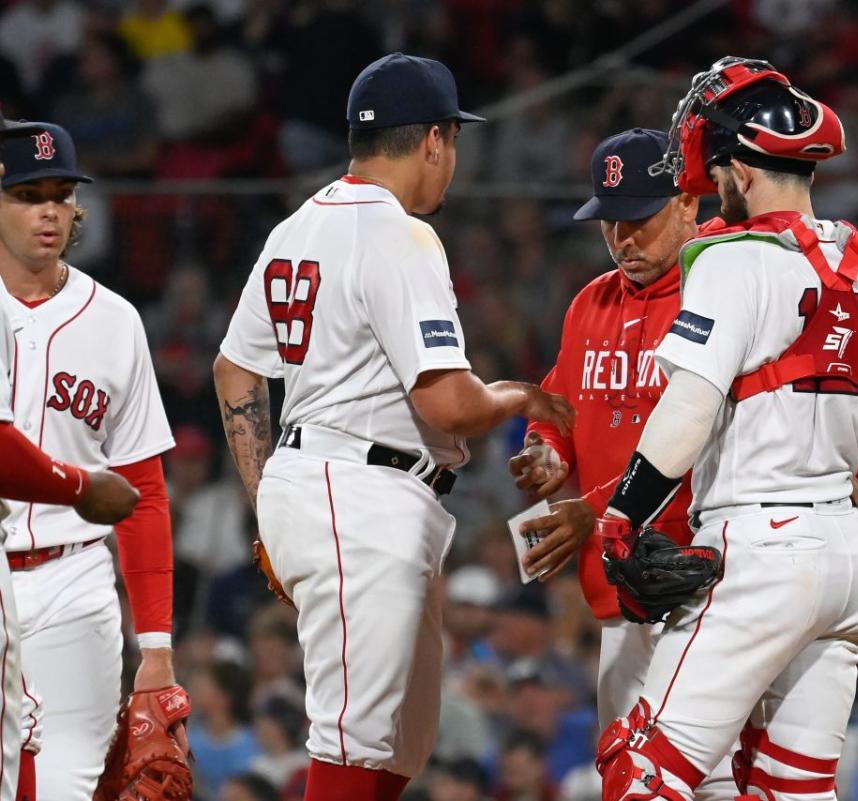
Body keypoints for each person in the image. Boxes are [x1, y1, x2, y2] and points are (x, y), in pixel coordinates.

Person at [590, 57, 858, 801]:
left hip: (758, 551)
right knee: (791, 792)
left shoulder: (731, 260)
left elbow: (690, 404)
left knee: (639, 772)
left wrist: (623, 514)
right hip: (846, 562)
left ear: (741, 168)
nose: (707, 181)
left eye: (712, 165)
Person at [213, 53, 574, 801]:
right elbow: (449, 404)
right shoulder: (396, 234)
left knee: (396, 747)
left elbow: (235, 371)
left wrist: (269, 505)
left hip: (332, 487)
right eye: (453, 141)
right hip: (361, 496)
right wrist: (518, 395)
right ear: (436, 140)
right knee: (353, 745)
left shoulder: (295, 227)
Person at [507, 127, 733, 798]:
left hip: (700, 590)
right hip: (618, 597)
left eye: (639, 217)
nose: (622, 238)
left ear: (690, 202)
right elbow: (558, 405)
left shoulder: (719, 289)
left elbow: (711, 439)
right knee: (627, 777)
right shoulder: (592, 301)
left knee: (714, 785)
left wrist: (598, 505)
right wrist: (546, 452)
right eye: (610, 221)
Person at [0, 120, 182, 800]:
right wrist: (77, 484)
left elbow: (142, 488)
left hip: (73, 577)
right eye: (27, 194)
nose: (49, 210)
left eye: (61, 193)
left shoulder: (114, 320)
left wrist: (157, 642)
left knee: (67, 787)